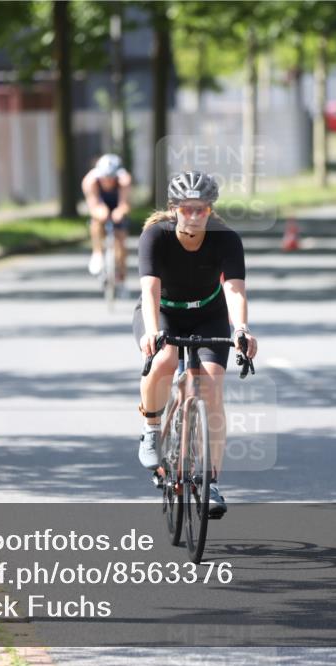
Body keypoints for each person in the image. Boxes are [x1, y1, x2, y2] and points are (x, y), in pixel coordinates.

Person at [133, 171, 258, 519]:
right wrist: (152, 332)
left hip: (209, 314)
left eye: (200, 209)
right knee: (165, 360)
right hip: (162, 312)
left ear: (209, 210)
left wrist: (242, 328)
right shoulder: (155, 235)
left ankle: (210, 479)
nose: (193, 216)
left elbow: (234, 289)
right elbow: (150, 290)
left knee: (210, 387)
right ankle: (151, 428)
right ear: (174, 209)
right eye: (186, 209)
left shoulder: (226, 238)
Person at [82, 154, 132, 293]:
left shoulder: (124, 180)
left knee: (121, 241)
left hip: (116, 203)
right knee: (96, 221)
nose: (108, 182)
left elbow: (124, 204)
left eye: (111, 178)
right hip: (100, 203)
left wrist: (120, 212)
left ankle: (121, 277)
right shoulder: (90, 181)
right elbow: (93, 205)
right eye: (105, 178)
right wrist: (100, 212)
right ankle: (97, 253)